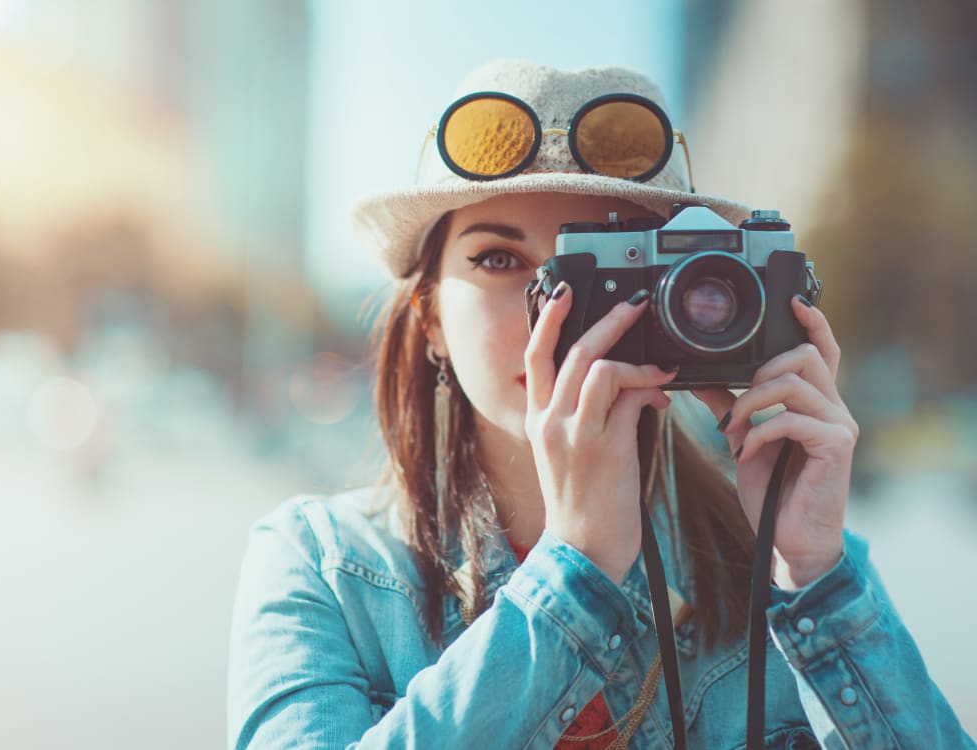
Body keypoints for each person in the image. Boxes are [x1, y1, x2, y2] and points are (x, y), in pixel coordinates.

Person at [227, 59, 973, 749]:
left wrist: (813, 575)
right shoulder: (321, 565)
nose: (553, 307)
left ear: (686, 297)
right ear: (430, 319)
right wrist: (575, 567)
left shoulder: (783, 562)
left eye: (603, 264)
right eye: (499, 259)